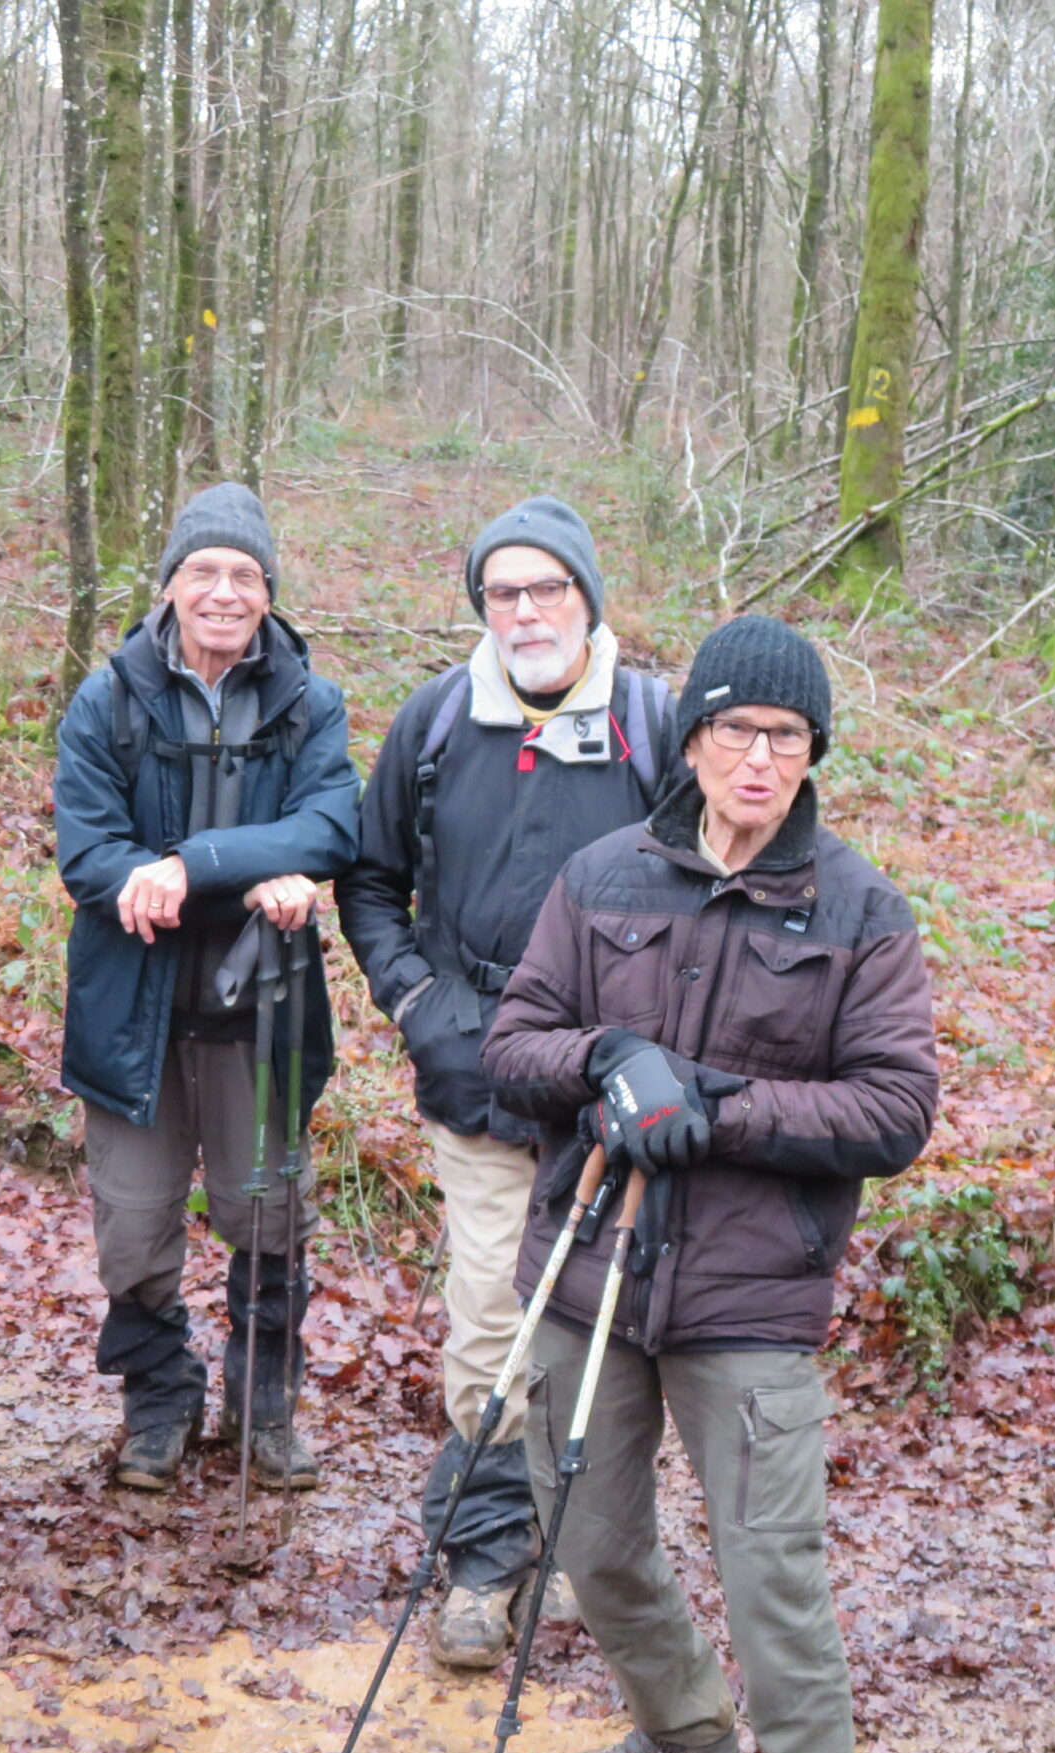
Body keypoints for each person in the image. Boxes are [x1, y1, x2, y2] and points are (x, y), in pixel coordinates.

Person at [484, 617, 938, 1753]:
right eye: (736, 729)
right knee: (590, 1538)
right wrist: (606, 1063)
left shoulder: (859, 910)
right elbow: (513, 1044)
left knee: (773, 1579)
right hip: (591, 1267)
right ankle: (685, 1730)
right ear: (691, 740)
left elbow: (895, 1110)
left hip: (751, 1294)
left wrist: (718, 1105)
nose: (758, 758)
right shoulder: (602, 877)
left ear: (812, 753)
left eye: (786, 737)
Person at [335, 497, 673, 1670]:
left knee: (596, 1324)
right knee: (489, 1318)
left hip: (605, 1083)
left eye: (547, 589)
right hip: (473, 1067)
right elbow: (370, 881)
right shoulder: (437, 720)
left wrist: (656, 1052)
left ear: (587, 597)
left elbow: (710, 893)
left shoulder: (653, 725)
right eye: (502, 593)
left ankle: (577, 1540)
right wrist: (417, 1005)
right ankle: (482, 1559)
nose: (525, 612)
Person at [54, 482, 359, 1492]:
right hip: (129, 1010)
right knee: (134, 1226)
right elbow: (87, 851)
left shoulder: (309, 703)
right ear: (170, 585)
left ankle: (262, 1408)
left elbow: (329, 825)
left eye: (244, 574)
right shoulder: (108, 698)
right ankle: (158, 1402)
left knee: (268, 1217)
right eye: (203, 571)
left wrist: (191, 866)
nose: (224, 592)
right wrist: (190, 876)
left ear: (268, 591)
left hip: (261, 1011)